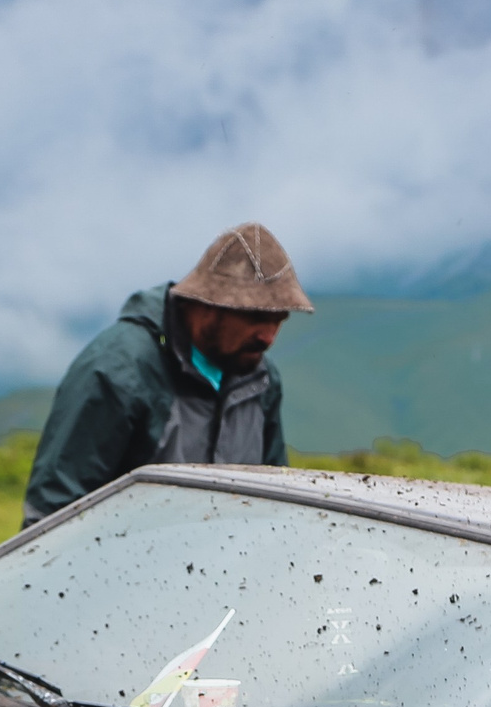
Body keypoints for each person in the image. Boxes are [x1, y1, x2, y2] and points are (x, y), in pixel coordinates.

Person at [21, 223, 313, 526]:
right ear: (209, 304)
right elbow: (55, 511)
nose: (268, 337)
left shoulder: (260, 379)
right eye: (256, 317)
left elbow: (275, 500)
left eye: (279, 319)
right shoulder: (119, 369)